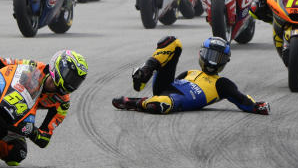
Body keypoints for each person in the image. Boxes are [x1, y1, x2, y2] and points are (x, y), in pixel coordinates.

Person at [112, 36, 270, 115]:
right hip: (167, 88)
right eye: (209, 55)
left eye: (218, 58)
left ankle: (133, 102)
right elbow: (171, 82)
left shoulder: (222, 83)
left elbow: (241, 99)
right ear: (201, 54)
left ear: (224, 62)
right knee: (173, 42)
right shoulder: (189, 72)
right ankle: (145, 72)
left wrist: (257, 106)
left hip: (177, 100)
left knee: (161, 104)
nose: (212, 62)